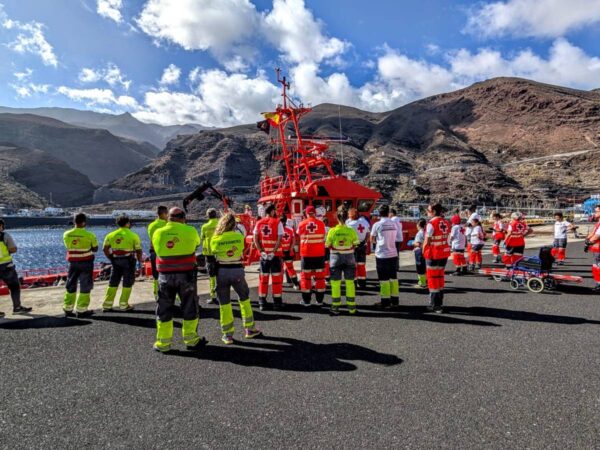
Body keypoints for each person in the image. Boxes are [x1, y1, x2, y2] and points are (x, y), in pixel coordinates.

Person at [152, 207, 205, 353]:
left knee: (164, 308)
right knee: (189, 306)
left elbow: (157, 249)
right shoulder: (190, 231)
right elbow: (196, 244)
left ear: (168, 218)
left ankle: (163, 343)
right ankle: (191, 340)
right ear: (183, 218)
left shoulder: (158, 232)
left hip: (164, 276)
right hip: (186, 276)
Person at [210, 213, 262, 344]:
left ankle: (227, 335)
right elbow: (242, 248)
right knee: (244, 299)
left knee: (225, 303)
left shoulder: (216, 238)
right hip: (237, 271)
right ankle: (249, 329)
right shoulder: (239, 237)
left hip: (222, 271)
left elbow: (213, 252)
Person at [101, 216, 143, 312]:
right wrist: (139, 262)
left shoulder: (110, 235)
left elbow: (105, 249)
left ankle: (107, 305)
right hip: (128, 261)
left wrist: (111, 258)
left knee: (113, 282)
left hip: (115, 260)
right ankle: (123, 305)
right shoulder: (133, 235)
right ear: (127, 223)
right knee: (127, 282)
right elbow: (139, 250)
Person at [62, 213, 98, 317]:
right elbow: (95, 249)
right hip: (86, 263)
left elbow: (68, 246)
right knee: (85, 285)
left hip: (73, 263)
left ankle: (67, 308)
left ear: (74, 222)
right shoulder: (90, 235)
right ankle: (81, 310)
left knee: (71, 284)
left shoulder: (66, 234)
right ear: (84, 222)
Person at [326, 206, 360, 315]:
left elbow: (327, 245)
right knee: (350, 283)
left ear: (337, 217)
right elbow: (356, 243)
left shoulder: (332, 231)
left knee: (335, 283)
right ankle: (352, 308)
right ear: (346, 218)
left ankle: (335, 307)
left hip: (335, 258)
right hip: (349, 257)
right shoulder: (351, 230)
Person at [253, 204, 284, 310]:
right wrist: (273, 252)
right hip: (275, 257)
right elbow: (279, 239)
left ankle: (262, 302)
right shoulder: (277, 222)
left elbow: (255, 239)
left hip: (264, 257)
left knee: (263, 279)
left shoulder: (258, 223)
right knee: (276, 279)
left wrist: (261, 251)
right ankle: (277, 303)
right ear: (272, 211)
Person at [0, 219, 32, 317]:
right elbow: (13, 249)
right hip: (6, 266)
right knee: (14, 287)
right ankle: (17, 308)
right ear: (1, 226)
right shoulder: (4, 235)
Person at [423, 203, 451, 313]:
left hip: (433, 254)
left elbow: (427, 240)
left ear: (434, 212)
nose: (427, 212)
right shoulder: (446, 222)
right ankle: (439, 302)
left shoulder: (431, 223)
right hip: (443, 253)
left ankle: (435, 305)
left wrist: (423, 252)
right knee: (440, 278)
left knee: (433, 279)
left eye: (428, 210)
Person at [297, 206, 327, 306]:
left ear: (306, 213)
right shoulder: (321, 224)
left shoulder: (302, 224)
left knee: (306, 278)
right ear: (314, 213)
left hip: (306, 255)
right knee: (320, 278)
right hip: (319, 254)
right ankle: (319, 301)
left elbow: (298, 234)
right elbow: (323, 236)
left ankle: (306, 301)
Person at [370, 204, 399, 308]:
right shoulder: (394, 223)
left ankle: (385, 301)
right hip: (393, 253)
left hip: (382, 254)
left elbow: (372, 239)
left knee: (383, 279)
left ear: (379, 213)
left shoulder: (377, 225)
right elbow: (397, 237)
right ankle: (395, 301)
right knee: (393, 278)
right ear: (388, 212)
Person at [147, 206, 168, 299]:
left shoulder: (151, 225)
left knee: (156, 274)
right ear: (164, 214)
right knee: (168, 273)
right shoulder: (167, 225)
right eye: (167, 214)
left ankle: (156, 294)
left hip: (154, 251)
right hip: (166, 252)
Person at [346, 208, 370, 288]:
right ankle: (362, 282)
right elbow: (368, 233)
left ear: (351, 215)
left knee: (353, 265)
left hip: (353, 246)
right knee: (361, 264)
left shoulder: (349, 225)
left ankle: (354, 283)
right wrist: (365, 242)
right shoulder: (364, 222)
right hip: (362, 245)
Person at [200, 208, 219, 304]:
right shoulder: (220, 224)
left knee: (212, 276)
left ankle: (213, 296)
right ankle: (222, 293)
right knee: (220, 274)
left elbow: (202, 238)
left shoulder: (204, 226)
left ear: (208, 216)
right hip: (220, 252)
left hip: (209, 253)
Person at [280, 215, 299, 289]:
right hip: (288, 251)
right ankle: (296, 284)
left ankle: (279, 285)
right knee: (290, 268)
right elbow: (293, 240)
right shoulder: (290, 229)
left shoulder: (277, 228)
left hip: (281, 252)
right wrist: (291, 249)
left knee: (280, 269)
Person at [584, 204, 600, 292]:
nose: (595, 213)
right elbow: (593, 233)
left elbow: (597, 236)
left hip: (599, 248)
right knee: (596, 266)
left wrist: (589, 242)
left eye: (597, 211)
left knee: (597, 266)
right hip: (596, 248)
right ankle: (598, 283)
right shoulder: (598, 223)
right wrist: (587, 240)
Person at [413, 218, 428, 287]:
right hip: (425, 251)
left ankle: (422, 283)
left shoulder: (419, 233)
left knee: (419, 267)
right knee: (424, 266)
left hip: (419, 251)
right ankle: (426, 281)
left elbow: (419, 244)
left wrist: (413, 243)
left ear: (418, 225)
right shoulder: (426, 232)